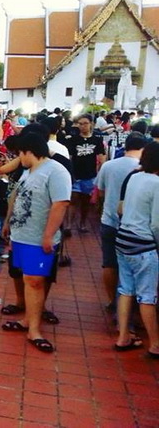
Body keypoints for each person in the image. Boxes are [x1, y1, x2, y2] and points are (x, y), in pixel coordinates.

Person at [2, 133, 71, 353]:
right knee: (28, 279)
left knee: (34, 281)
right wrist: (8, 223)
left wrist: (48, 235)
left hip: (38, 239)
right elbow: (17, 197)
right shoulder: (28, 171)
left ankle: (34, 330)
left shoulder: (56, 171)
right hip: (21, 236)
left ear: (28, 151)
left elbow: (60, 204)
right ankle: (27, 322)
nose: (19, 158)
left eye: (20, 153)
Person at [113, 141, 159, 357]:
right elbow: (156, 224)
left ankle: (123, 336)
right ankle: (155, 344)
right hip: (143, 244)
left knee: (125, 290)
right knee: (147, 296)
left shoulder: (134, 177)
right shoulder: (156, 183)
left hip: (123, 239)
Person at [95, 134, 146, 310]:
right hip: (135, 227)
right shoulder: (143, 170)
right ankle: (131, 305)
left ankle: (112, 301)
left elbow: (100, 191)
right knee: (132, 269)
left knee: (109, 263)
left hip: (109, 220)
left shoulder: (109, 166)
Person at [65, 114, 105, 233]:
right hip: (76, 174)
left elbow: (101, 157)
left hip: (90, 175)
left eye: (85, 123)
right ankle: (69, 225)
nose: (82, 126)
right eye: (80, 124)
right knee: (73, 199)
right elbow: (70, 158)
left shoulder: (97, 140)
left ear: (91, 124)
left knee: (85, 201)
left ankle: (82, 223)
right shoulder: (73, 140)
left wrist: (99, 172)